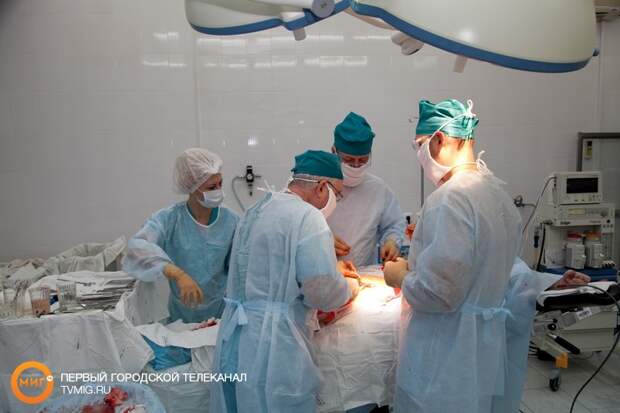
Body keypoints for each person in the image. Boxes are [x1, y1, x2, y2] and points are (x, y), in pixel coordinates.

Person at [383, 99, 590, 413]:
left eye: (419, 145)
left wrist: (400, 275)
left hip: (447, 356)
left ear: (439, 140)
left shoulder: (449, 200)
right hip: (484, 351)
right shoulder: (498, 196)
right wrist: (549, 282)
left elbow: (438, 294)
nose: (419, 155)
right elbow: (504, 271)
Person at [210, 150, 360, 413]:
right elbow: (322, 291)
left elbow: (271, 271)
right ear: (322, 187)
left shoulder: (257, 209)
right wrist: (349, 287)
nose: (335, 201)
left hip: (235, 340)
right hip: (274, 346)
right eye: (337, 194)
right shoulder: (308, 217)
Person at [123, 148, 239, 323]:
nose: (218, 191)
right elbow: (138, 247)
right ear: (191, 186)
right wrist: (178, 274)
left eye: (220, 184)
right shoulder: (169, 219)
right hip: (181, 316)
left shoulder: (231, 221)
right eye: (211, 187)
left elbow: (241, 264)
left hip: (221, 315)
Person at [327, 112, 406, 266]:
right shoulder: (318, 185)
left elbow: (394, 223)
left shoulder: (378, 189)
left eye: (362, 160)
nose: (356, 166)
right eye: (348, 160)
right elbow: (298, 227)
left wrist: (392, 241)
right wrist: (322, 239)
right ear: (334, 151)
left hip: (362, 273)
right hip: (322, 273)